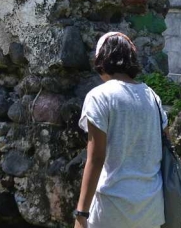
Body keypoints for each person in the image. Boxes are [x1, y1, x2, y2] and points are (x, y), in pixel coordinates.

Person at [74, 32, 167, 228]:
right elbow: (164, 147)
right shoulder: (152, 97)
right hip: (150, 208)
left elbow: (96, 158)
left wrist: (81, 214)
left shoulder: (99, 96)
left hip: (112, 208)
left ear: (101, 59)